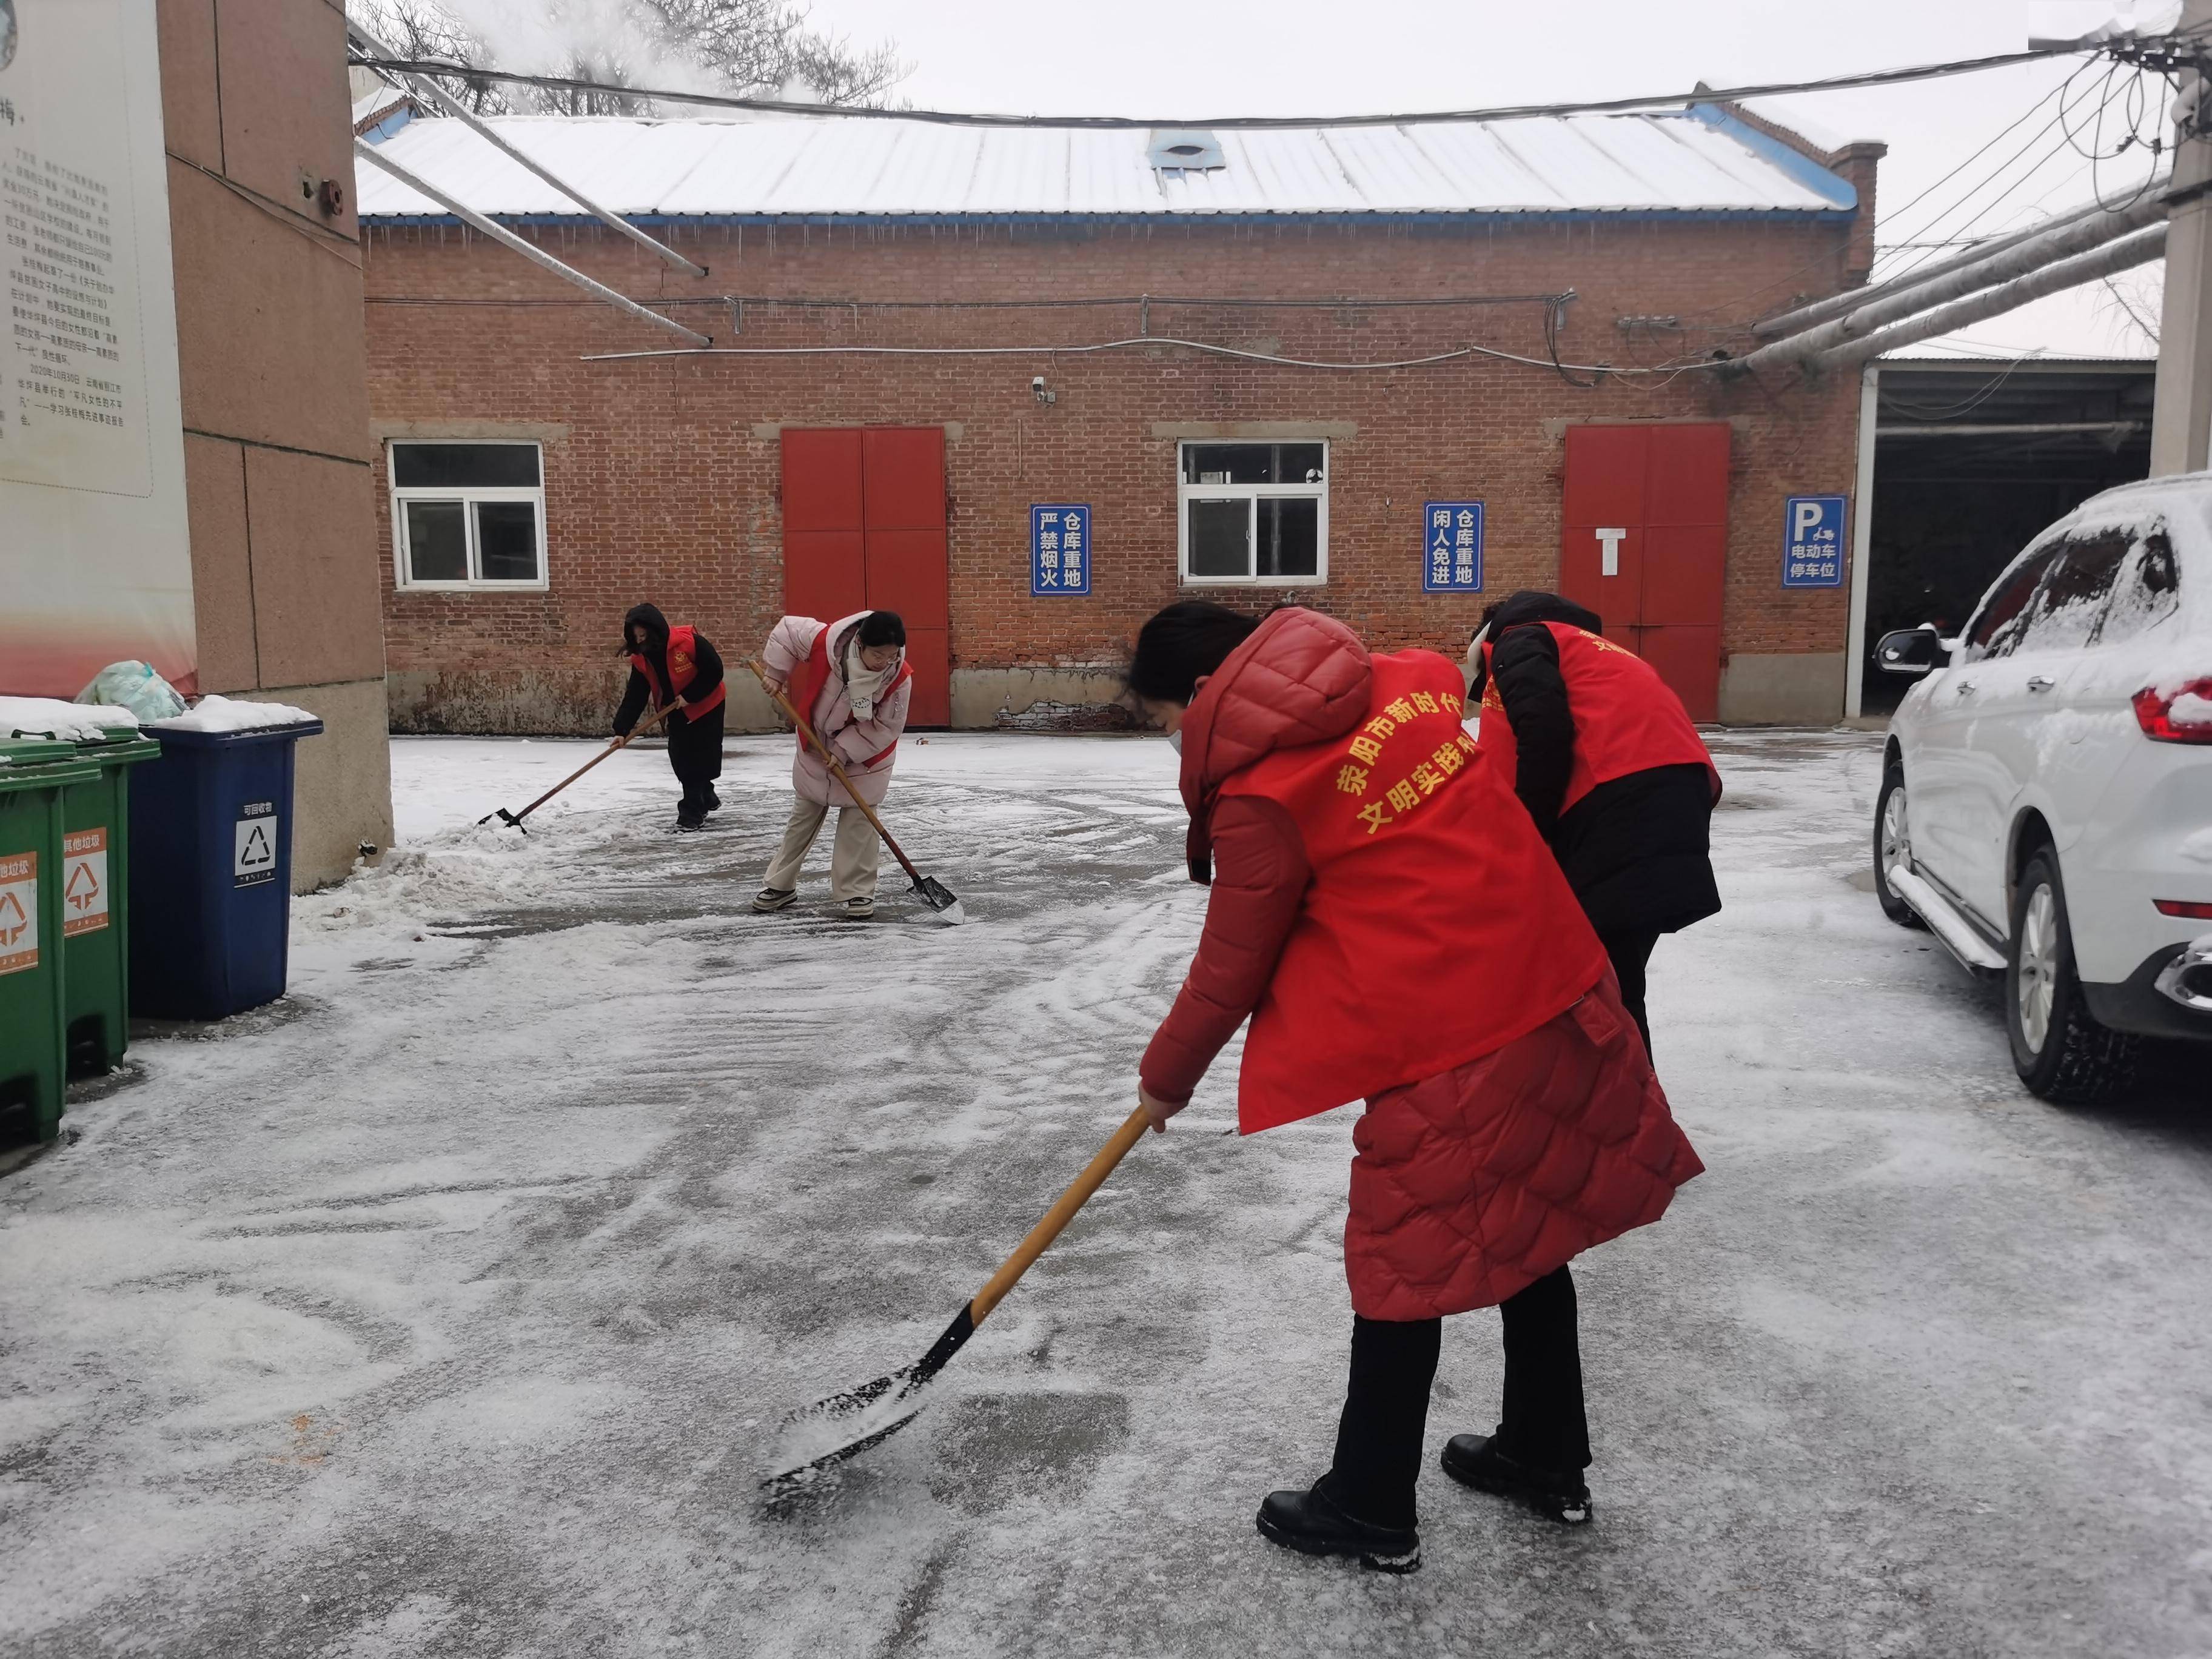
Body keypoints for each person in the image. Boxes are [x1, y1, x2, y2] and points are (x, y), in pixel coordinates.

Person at [1128, 600, 1703, 1574]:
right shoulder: (1404, 688)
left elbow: (1230, 967)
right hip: (1554, 982)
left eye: (1166, 721)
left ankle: (1370, 1504)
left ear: (1201, 693)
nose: (1178, 740)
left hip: (1456, 1028)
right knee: (1535, 1224)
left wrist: (1162, 1082)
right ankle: (1543, 1454)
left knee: (1400, 1262)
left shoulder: (1267, 792)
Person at [1467, 592, 1721, 1055]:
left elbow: (1544, 730)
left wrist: (1531, 838)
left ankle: (1627, 1116)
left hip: (1620, 803)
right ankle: (1623, 1110)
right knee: (1613, 981)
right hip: (1675, 800)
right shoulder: (1593, 650)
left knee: (1598, 986)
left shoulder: (1520, 637)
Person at [753, 609, 912, 921]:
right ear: (860, 643)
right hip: (814, 742)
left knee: (859, 822)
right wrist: (776, 673)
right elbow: (787, 631)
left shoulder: (899, 678)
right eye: (878, 655)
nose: (884, 663)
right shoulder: (828, 643)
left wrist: (844, 749)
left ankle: (857, 892)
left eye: (891, 656)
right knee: (803, 818)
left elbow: (885, 727)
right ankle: (780, 885)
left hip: (866, 757)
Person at [614, 603, 726, 831]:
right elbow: (635, 695)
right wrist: (621, 730)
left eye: (644, 635)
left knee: (702, 757)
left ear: (656, 630)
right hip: (674, 709)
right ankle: (700, 801)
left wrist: (691, 695)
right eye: (636, 637)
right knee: (681, 758)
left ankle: (696, 807)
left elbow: (714, 670)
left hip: (707, 705)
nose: (640, 641)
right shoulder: (642, 659)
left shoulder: (688, 643)